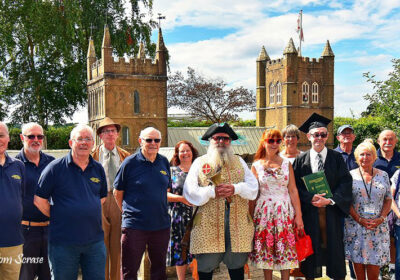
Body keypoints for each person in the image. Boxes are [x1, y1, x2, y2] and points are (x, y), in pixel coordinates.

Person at [183, 123, 258, 280]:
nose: (221, 142)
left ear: (230, 142)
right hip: (207, 224)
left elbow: (253, 190)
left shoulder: (240, 162)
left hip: (237, 224)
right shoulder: (199, 162)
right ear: (210, 140)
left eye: (226, 138)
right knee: (206, 266)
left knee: (237, 265)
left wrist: (236, 189)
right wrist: (211, 192)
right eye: (217, 138)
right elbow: (190, 193)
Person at [34, 124, 107, 280]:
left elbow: (101, 198)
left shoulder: (98, 169)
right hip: (63, 243)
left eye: (88, 139)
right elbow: (39, 200)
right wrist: (59, 215)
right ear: (70, 143)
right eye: (79, 139)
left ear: (93, 143)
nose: (84, 142)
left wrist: (84, 210)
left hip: (94, 243)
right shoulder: (54, 169)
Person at [293, 113, 353, 280]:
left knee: (334, 247)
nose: (319, 137)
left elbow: (346, 183)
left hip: (331, 211)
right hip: (310, 212)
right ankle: (311, 276)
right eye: (315, 134)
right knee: (312, 249)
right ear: (308, 136)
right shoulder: (300, 160)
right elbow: (295, 186)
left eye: (323, 134)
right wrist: (309, 197)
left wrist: (331, 200)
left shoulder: (337, 158)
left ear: (327, 136)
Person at [114, 127, 171, 280]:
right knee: (129, 271)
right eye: (149, 140)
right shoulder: (129, 163)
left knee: (159, 271)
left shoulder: (164, 162)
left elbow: (164, 190)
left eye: (157, 140)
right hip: (135, 227)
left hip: (161, 226)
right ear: (140, 141)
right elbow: (117, 192)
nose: (153, 143)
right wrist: (128, 214)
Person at [249, 129, 303, 280]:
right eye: (271, 140)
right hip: (264, 212)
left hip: (284, 211)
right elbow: (253, 194)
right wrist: (250, 216)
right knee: (267, 252)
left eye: (278, 141)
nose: (274, 144)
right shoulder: (256, 165)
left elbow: (293, 190)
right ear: (264, 142)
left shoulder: (286, 164)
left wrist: (299, 216)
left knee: (284, 250)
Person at [344, 139, 392, 280]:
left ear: (374, 157)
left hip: (377, 227)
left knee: (374, 265)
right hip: (356, 226)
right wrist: (359, 219)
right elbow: (346, 202)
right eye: (362, 154)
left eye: (369, 154)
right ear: (357, 157)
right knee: (358, 266)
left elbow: (388, 199)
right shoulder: (349, 176)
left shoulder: (383, 175)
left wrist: (382, 218)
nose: (365, 158)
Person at [92, 117, 130, 280]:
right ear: (100, 135)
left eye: (113, 131)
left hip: (118, 201)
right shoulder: (91, 155)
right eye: (106, 131)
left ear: (117, 134)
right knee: (100, 247)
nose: (110, 134)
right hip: (97, 202)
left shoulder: (125, 156)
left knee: (116, 247)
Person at [16, 123, 54, 280]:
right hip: (25, 233)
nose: (36, 140)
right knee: (25, 276)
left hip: (50, 232)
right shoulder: (14, 165)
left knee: (49, 276)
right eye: (31, 136)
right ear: (22, 138)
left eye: (40, 136)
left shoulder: (52, 164)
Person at [167, 140, 199, 279]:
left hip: (198, 216)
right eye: (182, 151)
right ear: (177, 154)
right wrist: (181, 199)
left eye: (188, 150)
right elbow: (165, 194)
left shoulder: (200, 171)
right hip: (178, 216)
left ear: (193, 152)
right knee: (181, 251)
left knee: (199, 250)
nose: (185, 153)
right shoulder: (172, 171)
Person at [0, 121, 25, 280]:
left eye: (1, 135)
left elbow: (20, 197)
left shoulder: (18, 166)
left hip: (13, 241)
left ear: (8, 138)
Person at [334, 124, 358, 279]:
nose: (347, 136)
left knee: (355, 242)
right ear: (338, 137)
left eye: (350, 133)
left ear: (354, 137)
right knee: (338, 242)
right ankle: (338, 274)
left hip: (357, 206)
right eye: (344, 133)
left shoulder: (360, 154)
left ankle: (354, 274)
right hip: (338, 207)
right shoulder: (332, 155)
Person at [390, 167, 400, 279]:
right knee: (399, 260)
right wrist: (398, 214)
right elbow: (390, 197)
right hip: (399, 224)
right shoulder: (399, 173)